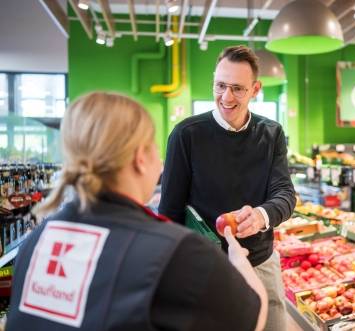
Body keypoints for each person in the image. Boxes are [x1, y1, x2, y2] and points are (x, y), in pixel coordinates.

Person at [6, 92, 267, 331]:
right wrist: (237, 262)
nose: (161, 160)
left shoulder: (37, 241)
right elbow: (252, 318)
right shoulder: (176, 252)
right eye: (155, 147)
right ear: (140, 158)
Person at [159, 45, 296, 331]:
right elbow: (169, 212)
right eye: (220, 86)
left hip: (261, 262)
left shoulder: (272, 134)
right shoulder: (186, 135)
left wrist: (260, 216)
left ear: (255, 89)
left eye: (237, 88)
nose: (226, 97)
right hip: (206, 268)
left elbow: (285, 194)